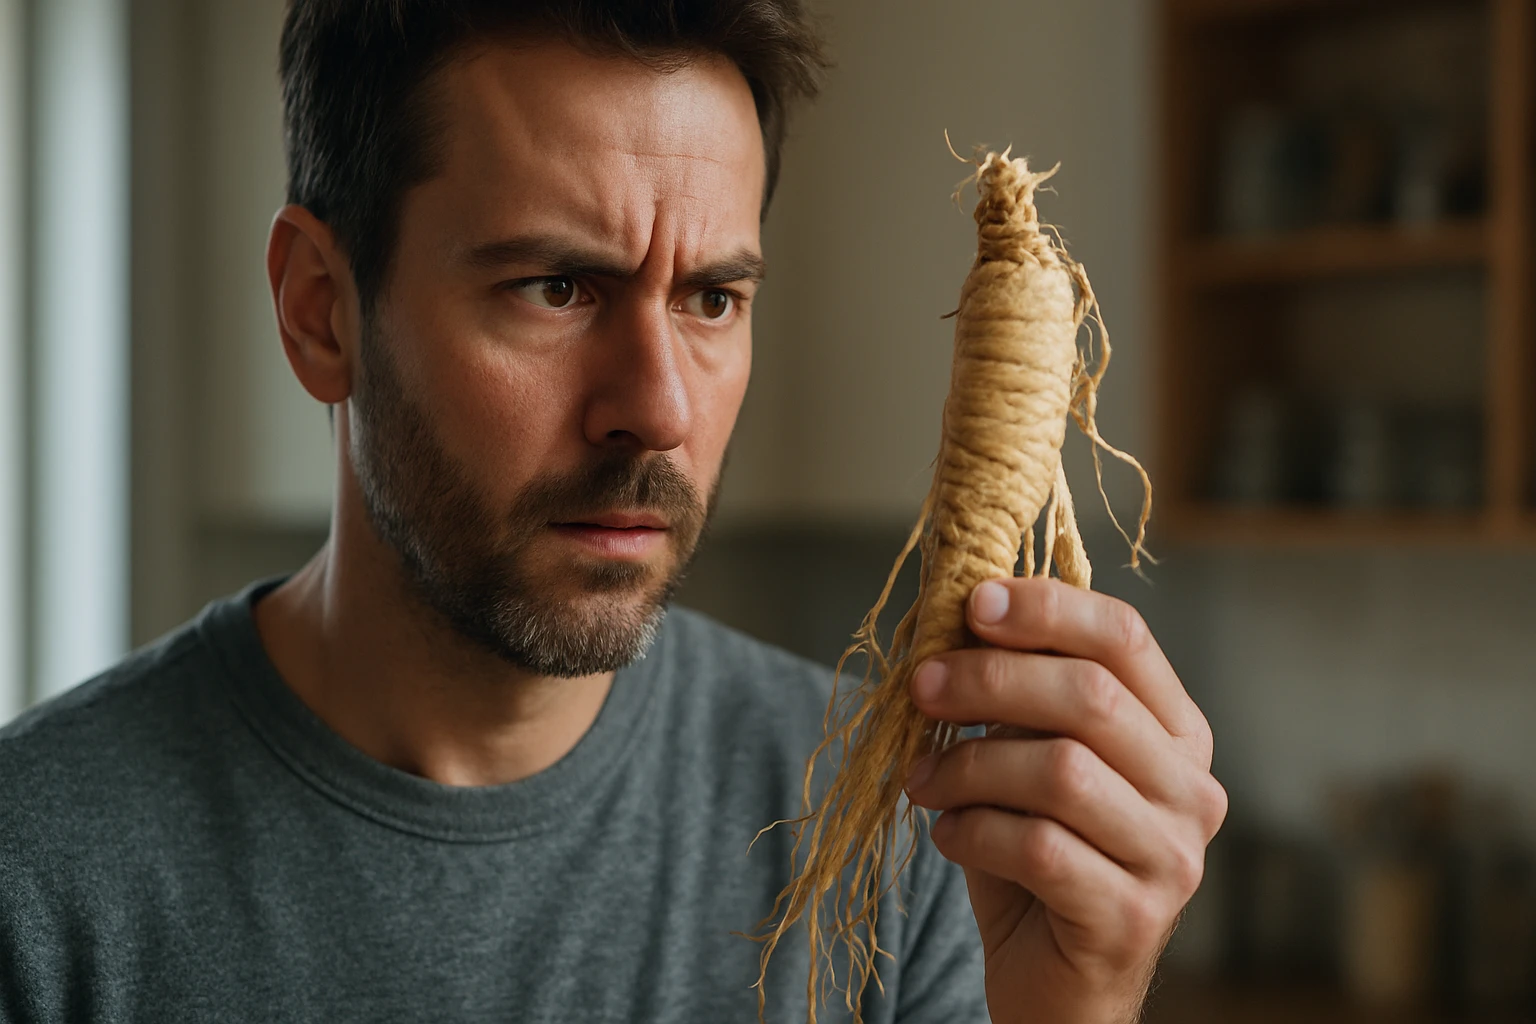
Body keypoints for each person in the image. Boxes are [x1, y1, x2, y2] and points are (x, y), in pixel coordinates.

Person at [0, 2, 1227, 1021]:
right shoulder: (41, 875)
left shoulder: (907, 832)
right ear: (322, 309)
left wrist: (1079, 1010)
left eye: (709, 299)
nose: (657, 410)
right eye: (556, 285)